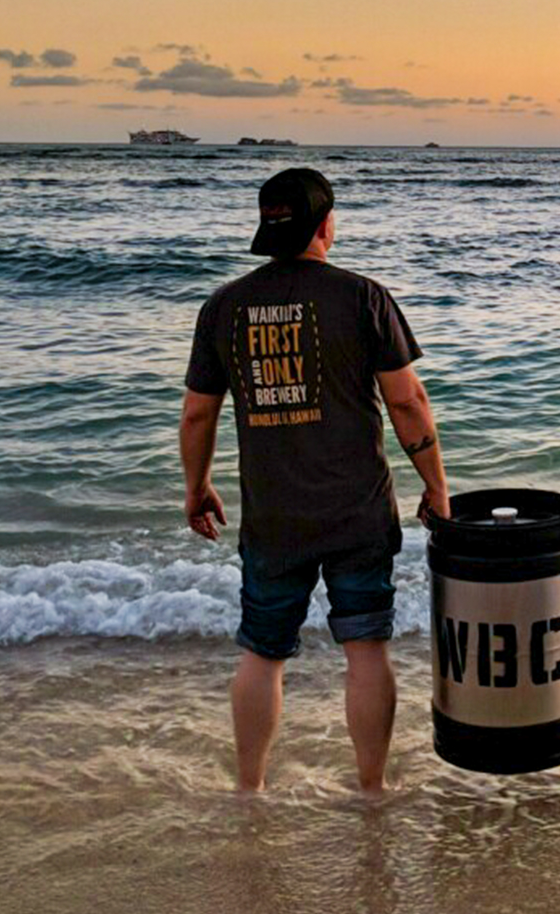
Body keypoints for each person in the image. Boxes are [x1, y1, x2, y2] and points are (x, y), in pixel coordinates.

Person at [179, 167, 449, 794]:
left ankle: (251, 789)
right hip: (357, 513)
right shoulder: (363, 297)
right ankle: (371, 788)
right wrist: (435, 486)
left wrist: (196, 487)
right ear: (326, 226)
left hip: (275, 519)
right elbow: (407, 403)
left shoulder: (224, 306)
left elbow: (198, 411)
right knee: (366, 650)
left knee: (262, 653)